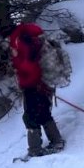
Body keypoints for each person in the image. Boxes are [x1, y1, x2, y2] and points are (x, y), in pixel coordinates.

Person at [8, 22, 65, 157]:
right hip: (42, 84)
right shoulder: (26, 37)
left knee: (30, 117)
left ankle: (35, 150)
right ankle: (56, 141)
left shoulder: (21, 41)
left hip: (34, 85)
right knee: (43, 111)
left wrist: (25, 81)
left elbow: (30, 66)